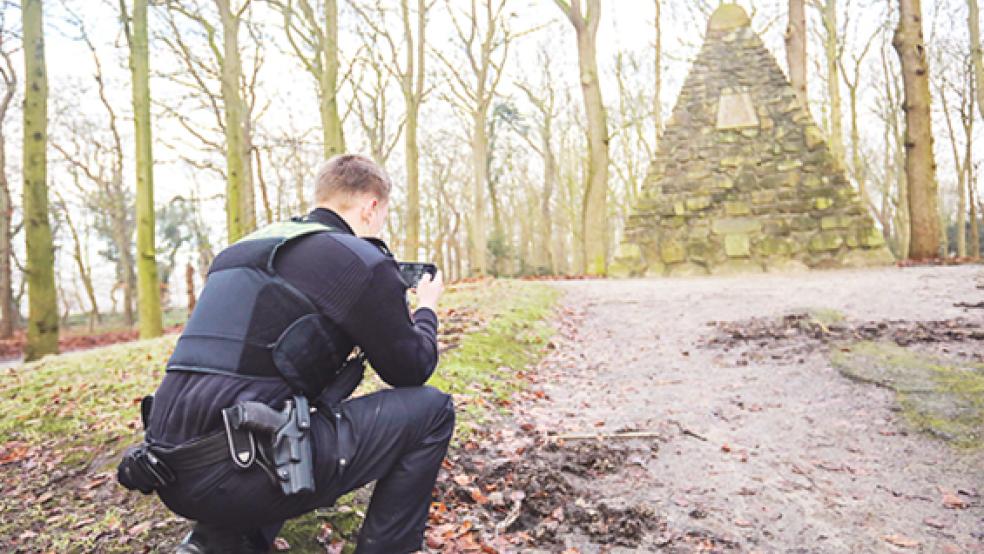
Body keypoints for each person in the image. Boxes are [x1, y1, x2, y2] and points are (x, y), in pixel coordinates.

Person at [118, 154, 455, 553]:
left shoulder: (240, 252)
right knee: (432, 411)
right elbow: (412, 369)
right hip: (238, 476)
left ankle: (216, 542)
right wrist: (427, 307)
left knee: (271, 411)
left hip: (166, 468)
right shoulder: (358, 260)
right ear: (372, 206)